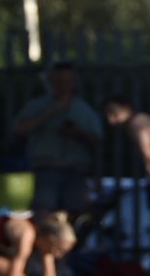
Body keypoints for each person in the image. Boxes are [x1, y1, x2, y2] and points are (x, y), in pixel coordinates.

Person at [10, 61, 102, 220]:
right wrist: (51, 112)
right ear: (50, 82)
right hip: (46, 167)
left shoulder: (84, 109)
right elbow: (19, 129)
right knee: (44, 211)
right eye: (58, 81)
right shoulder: (36, 106)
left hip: (76, 169)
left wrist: (76, 133)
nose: (63, 86)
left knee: (74, 213)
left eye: (67, 81)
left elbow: (97, 140)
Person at [102, 96, 150, 272]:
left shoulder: (139, 126)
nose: (111, 119)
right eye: (107, 114)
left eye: (114, 112)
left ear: (126, 107)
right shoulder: (142, 122)